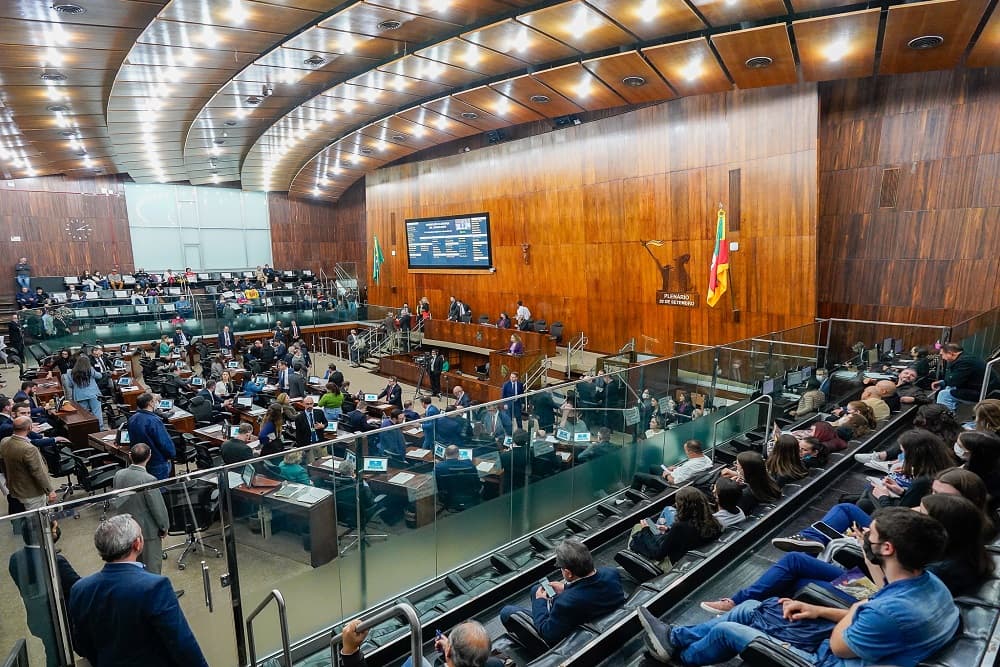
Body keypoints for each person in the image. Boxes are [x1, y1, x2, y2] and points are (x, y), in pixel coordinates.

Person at [637, 507, 959, 667]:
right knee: (749, 608)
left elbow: (839, 645)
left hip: (823, 659)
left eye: (869, 534)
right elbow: (870, 611)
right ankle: (675, 638)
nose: (863, 536)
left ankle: (678, 658)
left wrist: (857, 609)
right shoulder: (928, 584)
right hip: (853, 642)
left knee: (728, 632)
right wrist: (818, 608)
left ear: (887, 548)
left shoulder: (886, 611)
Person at [68, 515, 209, 667]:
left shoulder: (80, 589)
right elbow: (182, 644)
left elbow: (82, 645)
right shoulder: (154, 587)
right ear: (137, 544)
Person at [499, 539, 625, 646]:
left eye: (561, 569)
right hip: (599, 615)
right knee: (536, 588)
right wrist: (566, 587)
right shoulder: (611, 573)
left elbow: (547, 633)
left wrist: (540, 601)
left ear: (569, 573)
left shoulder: (565, 602)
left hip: (574, 637)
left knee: (507, 612)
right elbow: (591, 590)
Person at [338, 618, 499, 667]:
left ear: (449, 651)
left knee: (415, 661)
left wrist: (350, 650)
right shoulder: (495, 665)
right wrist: (450, 651)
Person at [627, 487, 723, 567]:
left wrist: (645, 529)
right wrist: (668, 529)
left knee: (638, 528)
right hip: (696, 560)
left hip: (678, 565)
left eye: (677, 503)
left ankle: (631, 558)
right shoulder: (713, 521)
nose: (676, 505)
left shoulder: (680, 527)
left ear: (683, 506)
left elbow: (658, 555)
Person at [112, 443, 169, 574]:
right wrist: (164, 526)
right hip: (147, 531)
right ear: (149, 456)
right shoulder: (148, 479)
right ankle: (155, 594)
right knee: (152, 568)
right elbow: (157, 507)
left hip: (125, 529)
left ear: (130, 456)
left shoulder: (118, 474)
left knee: (132, 568)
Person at [1, 416, 55, 511]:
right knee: (38, 521)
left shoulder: (4, 441)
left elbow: (3, 464)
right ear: (29, 428)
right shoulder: (29, 449)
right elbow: (38, 472)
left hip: (15, 488)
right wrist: (49, 490)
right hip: (31, 492)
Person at [630, 439, 713, 492]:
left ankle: (630, 500)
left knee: (637, 475)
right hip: (676, 474)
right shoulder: (706, 459)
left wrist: (667, 475)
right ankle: (650, 490)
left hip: (669, 484)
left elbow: (676, 482)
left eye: (686, 451)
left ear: (691, 452)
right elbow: (690, 471)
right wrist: (677, 468)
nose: (686, 453)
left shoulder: (689, 466)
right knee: (653, 467)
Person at [127, 393, 176, 480]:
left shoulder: (132, 418)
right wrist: (171, 455)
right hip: (157, 461)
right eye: (155, 401)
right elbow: (164, 443)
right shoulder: (154, 421)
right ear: (150, 403)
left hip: (141, 460)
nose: (157, 403)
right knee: (160, 489)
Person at [934, 342, 995, 410]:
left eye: (942, 355)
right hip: (982, 387)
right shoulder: (965, 357)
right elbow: (955, 379)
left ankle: (945, 418)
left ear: (951, 353)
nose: (942, 357)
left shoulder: (964, 362)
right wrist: (943, 382)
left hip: (984, 392)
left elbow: (954, 381)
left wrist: (944, 382)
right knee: (948, 388)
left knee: (944, 395)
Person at [69, 355, 105, 429]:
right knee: (97, 412)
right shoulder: (90, 370)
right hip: (93, 394)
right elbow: (99, 376)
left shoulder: (71, 372)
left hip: (80, 396)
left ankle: (87, 429)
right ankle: (100, 428)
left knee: (84, 414)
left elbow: (70, 384)